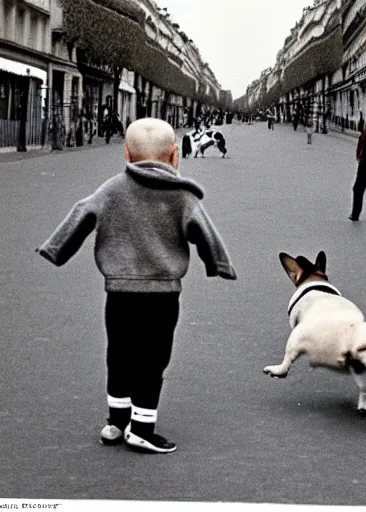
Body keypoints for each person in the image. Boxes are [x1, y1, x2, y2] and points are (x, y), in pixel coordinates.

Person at [36, 118, 237, 454]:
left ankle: (116, 422)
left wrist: (57, 249)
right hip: (163, 294)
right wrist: (218, 264)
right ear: (175, 156)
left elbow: (81, 213)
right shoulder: (182, 197)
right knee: (153, 359)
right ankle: (142, 428)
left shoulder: (112, 189)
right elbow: (206, 231)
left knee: (119, 354)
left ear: (127, 155)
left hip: (118, 293)